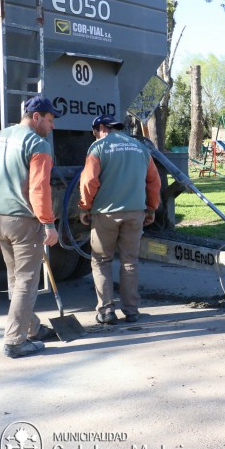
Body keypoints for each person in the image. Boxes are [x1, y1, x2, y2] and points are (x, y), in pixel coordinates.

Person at [0, 95, 61, 358]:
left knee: (15, 278)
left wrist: (2, 192)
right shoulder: (38, 144)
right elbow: (38, 189)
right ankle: (15, 340)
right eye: (50, 119)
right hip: (23, 222)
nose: (52, 126)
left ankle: (31, 327)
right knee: (26, 281)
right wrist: (49, 224)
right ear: (36, 117)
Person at [78, 114, 161, 325]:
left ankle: (106, 311)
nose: (94, 136)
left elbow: (88, 182)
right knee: (130, 262)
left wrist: (84, 207)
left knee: (101, 261)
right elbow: (153, 180)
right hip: (135, 213)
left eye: (94, 132)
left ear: (102, 128)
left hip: (105, 214)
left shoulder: (98, 148)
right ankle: (132, 311)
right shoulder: (140, 148)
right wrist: (151, 208)